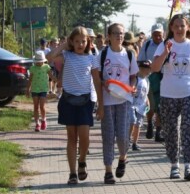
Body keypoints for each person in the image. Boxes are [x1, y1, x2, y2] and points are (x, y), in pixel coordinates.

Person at [151, 14, 190, 181]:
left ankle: (188, 165)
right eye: (176, 26)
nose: (179, 29)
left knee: (187, 127)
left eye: (182, 26)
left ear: (187, 28)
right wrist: (165, 52)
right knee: (171, 131)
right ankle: (174, 165)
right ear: (171, 28)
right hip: (168, 94)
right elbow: (155, 68)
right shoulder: (165, 45)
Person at [47, 26, 102, 185]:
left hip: (85, 101)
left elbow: (97, 82)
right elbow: (49, 58)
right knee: (72, 137)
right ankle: (72, 173)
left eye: (83, 41)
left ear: (88, 42)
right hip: (68, 100)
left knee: (84, 136)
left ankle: (82, 160)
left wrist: (101, 104)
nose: (79, 44)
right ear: (72, 42)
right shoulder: (66, 56)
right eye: (76, 41)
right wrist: (64, 45)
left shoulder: (92, 59)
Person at [93, 23, 139, 184]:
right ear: (109, 36)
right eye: (115, 33)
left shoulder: (129, 54)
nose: (119, 36)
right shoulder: (103, 54)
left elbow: (134, 75)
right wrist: (103, 85)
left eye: (121, 33)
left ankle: (123, 158)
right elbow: (97, 76)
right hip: (107, 100)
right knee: (108, 136)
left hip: (124, 100)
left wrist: (132, 86)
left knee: (122, 135)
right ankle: (108, 171)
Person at [138, 23, 165, 142]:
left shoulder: (167, 44)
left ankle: (159, 131)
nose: (157, 37)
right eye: (155, 34)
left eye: (159, 34)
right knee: (152, 105)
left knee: (161, 106)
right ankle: (149, 122)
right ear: (152, 34)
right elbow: (140, 60)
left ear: (163, 34)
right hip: (150, 77)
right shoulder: (147, 44)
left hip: (164, 77)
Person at [26, 51, 56, 132]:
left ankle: (43, 119)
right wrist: (27, 89)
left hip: (43, 89)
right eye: (37, 62)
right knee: (36, 106)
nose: (39, 63)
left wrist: (57, 81)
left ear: (43, 61)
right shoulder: (33, 68)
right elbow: (30, 79)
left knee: (42, 106)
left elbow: (51, 76)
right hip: (35, 89)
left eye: (40, 61)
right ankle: (37, 123)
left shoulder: (46, 67)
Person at [129, 60, 151, 151]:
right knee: (132, 121)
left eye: (147, 69)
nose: (146, 70)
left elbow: (146, 93)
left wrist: (147, 101)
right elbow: (132, 86)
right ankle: (128, 139)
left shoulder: (147, 81)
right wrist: (132, 89)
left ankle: (135, 143)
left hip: (141, 106)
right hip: (132, 104)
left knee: (138, 124)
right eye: (143, 68)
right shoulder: (136, 78)